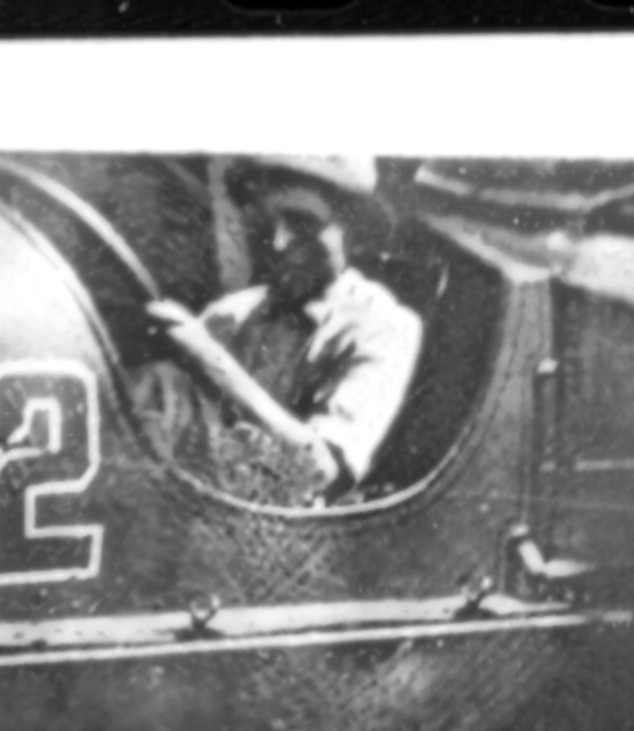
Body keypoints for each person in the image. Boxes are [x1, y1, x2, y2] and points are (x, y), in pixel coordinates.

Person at [141, 156, 423, 505]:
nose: (278, 244)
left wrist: (209, 360)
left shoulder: (381, 326)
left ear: (354, 229)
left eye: (302, 223)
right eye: (264, 225)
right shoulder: (235, 313)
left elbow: (318, 472)